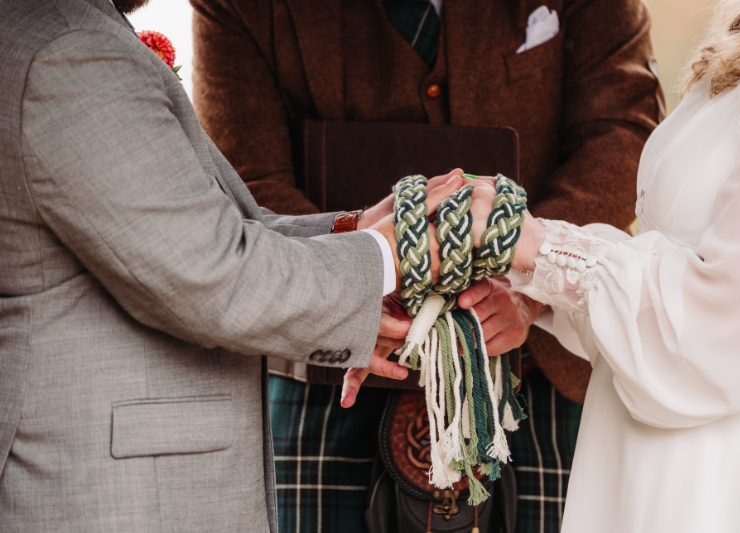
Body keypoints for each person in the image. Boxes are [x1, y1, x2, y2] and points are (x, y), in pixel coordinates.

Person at [0, 0, 499, 531]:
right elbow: (210, 272)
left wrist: (350, 231)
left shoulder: (62, 31)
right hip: (114, 498)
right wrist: (391, 255)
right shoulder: (68, 50)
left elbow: (206, 230)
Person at [190, 0, 662, 531]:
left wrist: (531, 288)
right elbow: (245, 183)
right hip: (326, 380)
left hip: (537, 378)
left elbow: (623, 129)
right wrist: (356, 295)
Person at [457, 0, 740, 531]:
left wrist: (534, 243)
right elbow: (663, 277)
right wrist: (538, 294)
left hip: (716, 469)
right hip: (635, 446)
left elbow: (725, 317)